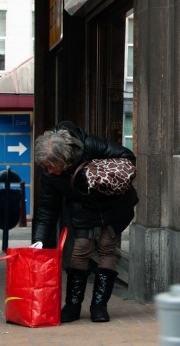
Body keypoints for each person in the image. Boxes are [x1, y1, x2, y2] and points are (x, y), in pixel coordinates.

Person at [32, 121, 139, 323]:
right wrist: (39, 239)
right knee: (80, 248)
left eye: (51, 166)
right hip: (82, 206)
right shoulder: (49, 173)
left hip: (113, 202)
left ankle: (99, 305)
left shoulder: (90, 145)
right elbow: (47, 208)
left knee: (107, 246)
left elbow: (128, 157)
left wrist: (97, 172)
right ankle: (72, 305)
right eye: (45, 167)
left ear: (64, 158)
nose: (49, 170)